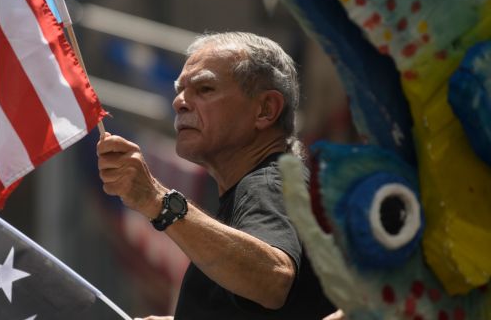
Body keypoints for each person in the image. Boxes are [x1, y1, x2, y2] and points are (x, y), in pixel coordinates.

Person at [96, 32, 336, 319]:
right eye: (180, 89)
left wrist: (157, 200)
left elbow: (273, 279)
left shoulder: (269, 183)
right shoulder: (260, 185)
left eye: (205, 89)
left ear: (266, 109)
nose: (179, 102)